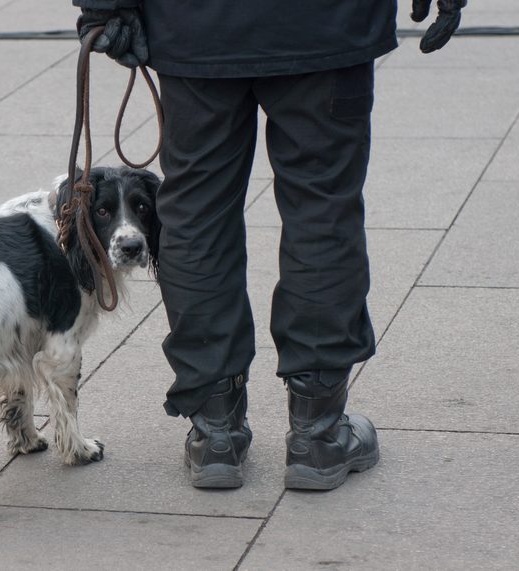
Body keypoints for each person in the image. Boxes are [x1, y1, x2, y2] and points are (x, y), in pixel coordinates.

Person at [72, 0, 466, 489]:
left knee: (197, 212)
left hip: (196, 27)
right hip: (326, 25)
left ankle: (216, 428)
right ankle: (317, 433)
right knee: (323, 208)